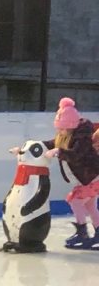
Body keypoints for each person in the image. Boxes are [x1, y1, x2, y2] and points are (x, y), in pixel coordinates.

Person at [44, 97, 99, 249]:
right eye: (58, 128)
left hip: (93, 177)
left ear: (71, 126)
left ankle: (83, 233)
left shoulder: (82, 138)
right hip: (89, 179)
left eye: (62, 128)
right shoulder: (65, 135)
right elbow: (53, 143)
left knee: (75, 201)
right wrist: (36, 145)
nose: (59, 131)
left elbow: (76, 154)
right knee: (90, 205)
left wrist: (58, 152)